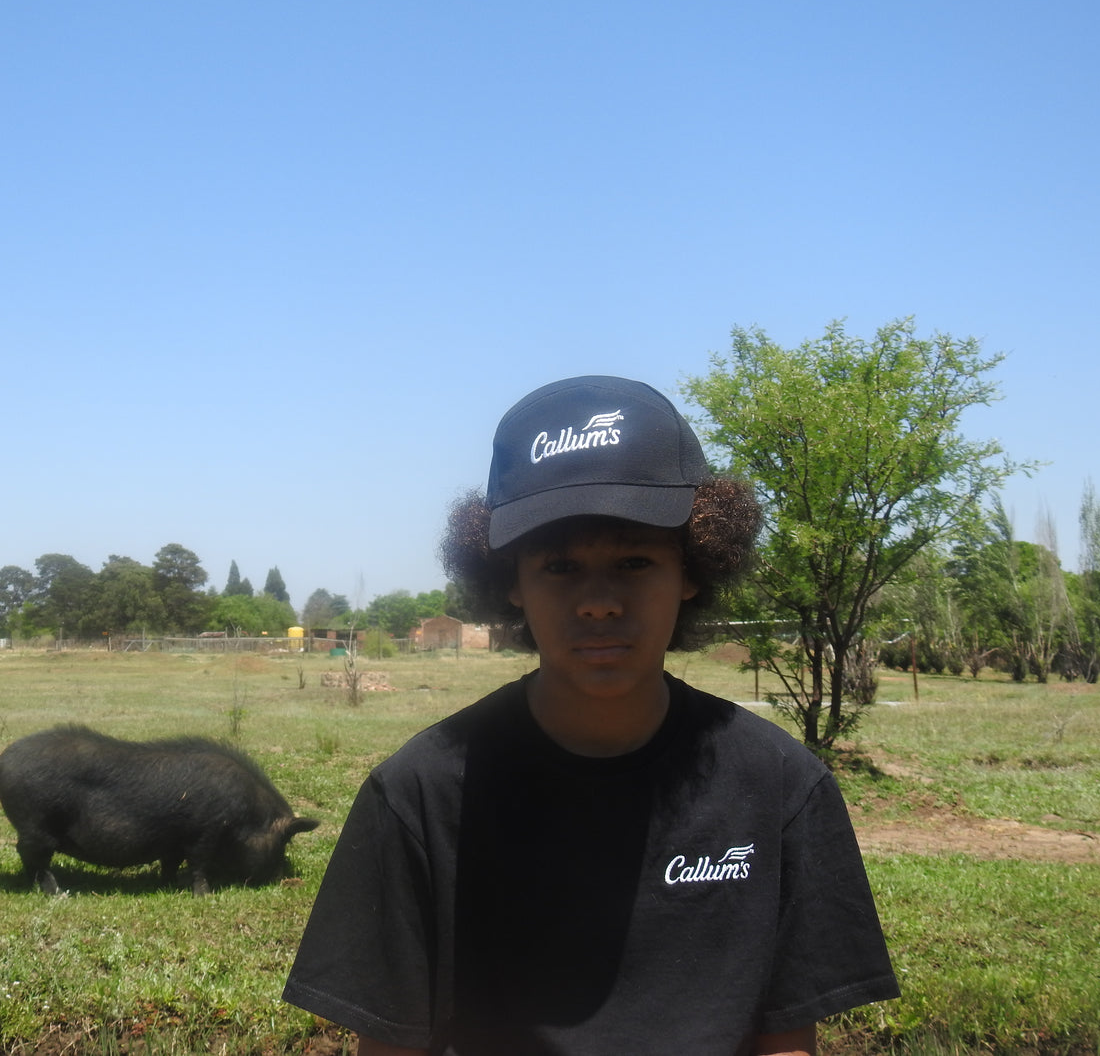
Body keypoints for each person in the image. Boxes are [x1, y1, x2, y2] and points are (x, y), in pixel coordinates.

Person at [284, 376, 900, 1055]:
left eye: (635, 561)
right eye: (558, 566)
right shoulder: (419, 796)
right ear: (509, 582)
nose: (599, 601)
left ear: (691, 568)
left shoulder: (780, 787)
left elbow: (787, 1042)